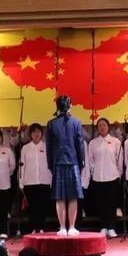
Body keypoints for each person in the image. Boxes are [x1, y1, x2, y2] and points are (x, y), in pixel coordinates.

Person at [46, 95, 86, 237]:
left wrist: (50, 164)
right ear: (70, 105)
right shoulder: (76, 122)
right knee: (73, 196)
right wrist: (82, 162)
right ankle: (72, 227)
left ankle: (62, 227)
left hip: (57, 162)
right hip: (73, 162)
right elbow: (80, 145)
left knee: (60, 197)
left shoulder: (51, 124)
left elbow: (49, 147)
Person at [88, 117, 123, 238]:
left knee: (111, 204)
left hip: (112, 177)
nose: (102, 127)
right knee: (101, 203)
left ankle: (112, 227)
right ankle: (103, 226)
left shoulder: (115, 142)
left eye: (104, 125)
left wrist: (118, 173)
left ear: (108, 127)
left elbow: (119, 160)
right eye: (100, 125)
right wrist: (93, 172)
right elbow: (90, 160)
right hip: (98, 177)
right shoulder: (93, 143)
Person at [18, 123, 51, 234]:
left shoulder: (47, 147)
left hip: (44, 181)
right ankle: (33, 228)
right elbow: (22, 165)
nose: (36, 134)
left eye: (38, 131)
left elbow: (50, 165)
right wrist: (21, 182)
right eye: (34, 132)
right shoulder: (25, 148)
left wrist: (51, 180)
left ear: (42, 133)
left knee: (43, 205)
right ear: (30, 134)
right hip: (29, 181)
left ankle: (41, 227)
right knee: (32, 206)